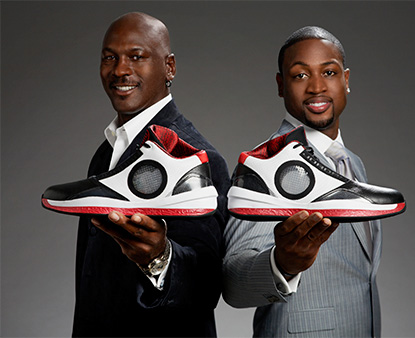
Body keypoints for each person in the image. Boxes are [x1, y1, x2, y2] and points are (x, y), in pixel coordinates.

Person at [72, 12, 230, 337]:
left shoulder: (195, 157)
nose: (119, 69)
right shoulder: (105, 153)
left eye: (136, 56)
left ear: (169, 67)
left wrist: (160, 257)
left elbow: (207, 285)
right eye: (109, 58)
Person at [223, 26, 382, 337]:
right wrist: (282, 263)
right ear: (281, 86)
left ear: (346, 81)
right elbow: (233, 283)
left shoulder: (354, 164)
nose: (317, 87)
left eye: (329, 72)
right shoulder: (266, 166)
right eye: (300, 75)